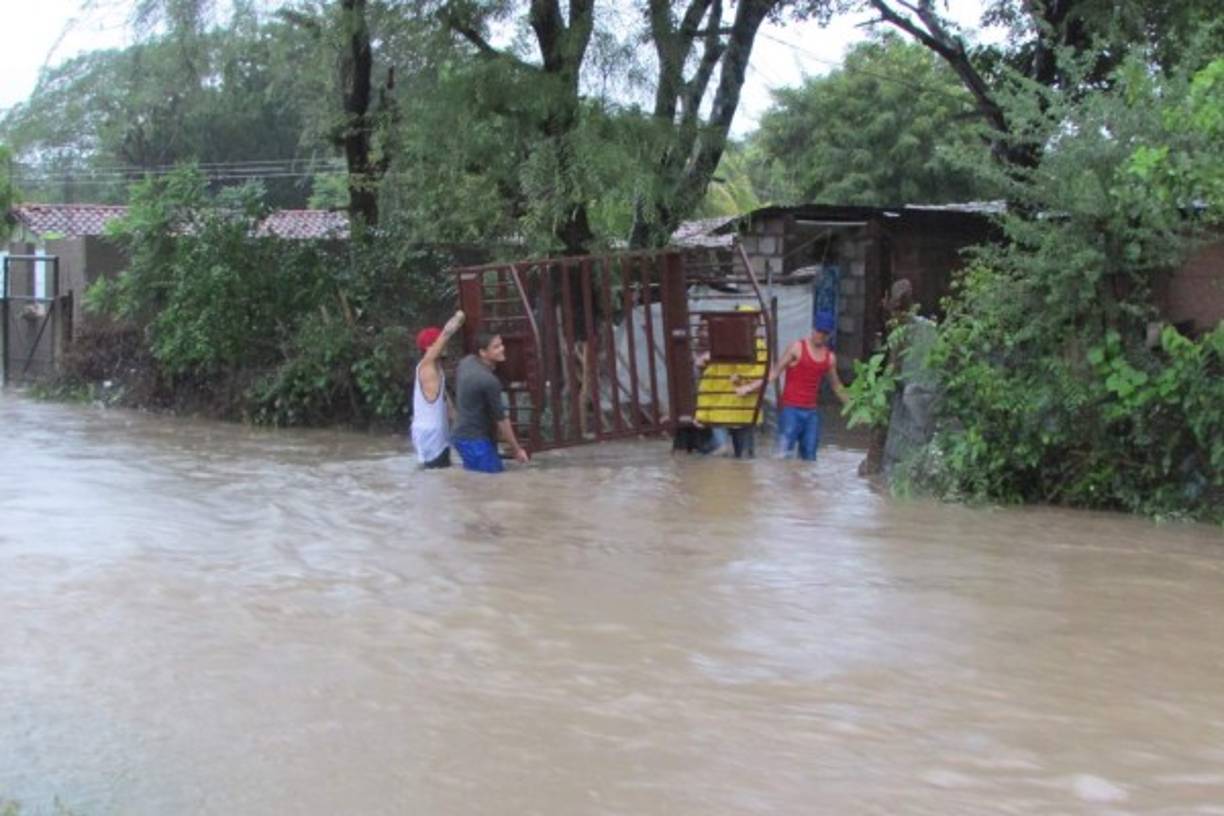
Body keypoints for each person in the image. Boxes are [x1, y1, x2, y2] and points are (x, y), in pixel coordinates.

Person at [737, 312, 849, 461]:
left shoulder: (829, 358)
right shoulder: (797, 348)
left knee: (810, 456)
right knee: (783, 455)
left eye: (824, 333)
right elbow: (774, 373)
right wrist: (749, 388)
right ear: (813, 329)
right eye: (818, 331)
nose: (820, 335)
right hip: (791, 409)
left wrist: (853, 407)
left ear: (829, 335)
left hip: (811, 412)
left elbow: (837, 386)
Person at [694, 306, 768, 458]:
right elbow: (708, 381)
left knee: (745, 458)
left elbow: (763, 377)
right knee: (723, 451)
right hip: (722, 409)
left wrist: (744, 383)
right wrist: (700, 414)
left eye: (753, 321)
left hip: (743, 411)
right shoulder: (722, 344)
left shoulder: (760, 348)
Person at [452, 330, 531, 473]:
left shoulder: (466, 362)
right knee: (494, 479)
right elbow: (502, 420)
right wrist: (517, 450)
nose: (502, 349)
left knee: (479, 480)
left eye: (501, 345)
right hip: (475, 441)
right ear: (483, 352)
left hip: (461, 436)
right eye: (496, 347)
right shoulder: (489, 381)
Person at [411, 310, 465, 469]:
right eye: (437, 343)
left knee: (437, 475)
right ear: (429, 347)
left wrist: (456, 418)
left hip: (432, 432)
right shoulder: (426, 366)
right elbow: (446, 334)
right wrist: (458, 318)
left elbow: (443, 399)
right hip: (431, 435)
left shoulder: (435, 369)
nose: (444, 346)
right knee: (437, 474)